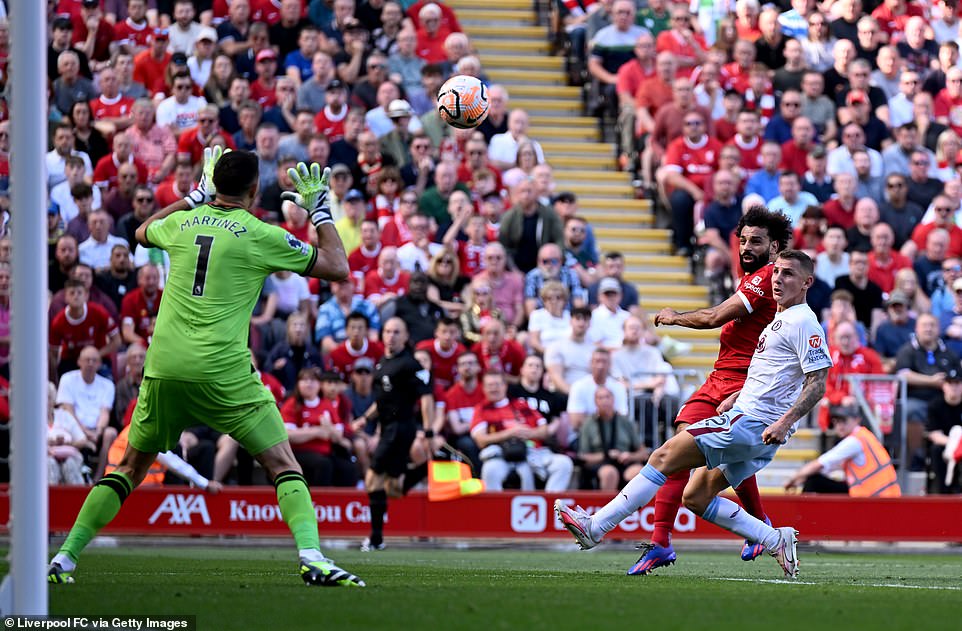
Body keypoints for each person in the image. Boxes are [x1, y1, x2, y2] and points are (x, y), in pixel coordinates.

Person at [48, 150, 365, 587]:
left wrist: (194, 196)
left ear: (215, 184)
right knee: (281, 461)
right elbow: (338, 266)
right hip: (222, 370)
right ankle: (312, 557)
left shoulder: (182, 223)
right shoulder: (259, 233)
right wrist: (321, 212)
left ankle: (64, 559)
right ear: (254, 191)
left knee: (128, 468)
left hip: (164, 367)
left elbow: (140, 231)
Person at [557, 250, 832, 580]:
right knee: (697, 497)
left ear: (807, 282)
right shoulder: (781, 319)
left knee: (663, 456)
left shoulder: (804, 321)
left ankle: (595, 527)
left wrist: (784, 421)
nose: (778, 279)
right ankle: (774, 539)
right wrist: (736, 395)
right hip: (752, 422)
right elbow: (777, 376)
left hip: (750, 425)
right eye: (776, 273)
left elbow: (818, 382)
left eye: (788, 274)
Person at [626, 206, 792, 575]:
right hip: (721, 376)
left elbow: (715, 317)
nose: (746, 247)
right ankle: (756, 527)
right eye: (743, 240)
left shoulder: (767, 277)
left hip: (742, 381)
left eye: (756, 241)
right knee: (691, 449)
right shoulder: (758, 277)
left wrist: (674, 317)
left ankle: (661, 541)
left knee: (682, 450)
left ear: (775, 246)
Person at [356, 317, 435, 552]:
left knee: (372, 478)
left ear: (405, 336)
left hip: (400, 429)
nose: (391, 336)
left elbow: (427, 397)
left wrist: (429, 430)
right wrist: (366, 418)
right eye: (387, 331)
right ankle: (425, 468)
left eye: (396, 332)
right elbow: (382, 401)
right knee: (393, 489)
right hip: (389, 427)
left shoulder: (410, 365)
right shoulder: (382, 363)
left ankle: (375, 539)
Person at [470, 370, 573, 491]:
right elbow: (481, 440)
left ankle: (550, 506)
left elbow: (544, 431)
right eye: (489, 385)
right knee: (490, 469)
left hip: (533, 452)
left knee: (563, 463)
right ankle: (495, 509)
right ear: (484, 388)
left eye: (497, 384)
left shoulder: (521, 404)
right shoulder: (481, 410)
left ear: (505, 386)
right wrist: (510, 433)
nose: (493, 389)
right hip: (502, 455)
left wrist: (529, 433)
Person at [785, 404, 901, 497]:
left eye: (843, 421)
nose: (839, 426)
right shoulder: (864, 436)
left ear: (856, 420)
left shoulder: (854, 441)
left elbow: (820, 463)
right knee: (815, 478)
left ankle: (803, 519)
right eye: (836, 422)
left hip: (872, 498)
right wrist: (802, 477)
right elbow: (828, 467)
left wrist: (794, 479)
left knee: (814, 481)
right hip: (877, 496)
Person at [579, 386, 649, 490]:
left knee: (639, 472)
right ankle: (609, 506)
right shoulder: (589, 423)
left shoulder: (625, 422)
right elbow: (583, 456)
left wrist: (629, 456)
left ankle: (637, 506)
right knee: (610, 473)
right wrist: (606, 455)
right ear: (595, 402)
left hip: (625, 462)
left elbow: (643, 453)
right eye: (600, 398)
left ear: (613, 399)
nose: (604, 401)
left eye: (607, 397)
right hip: (600, 464)